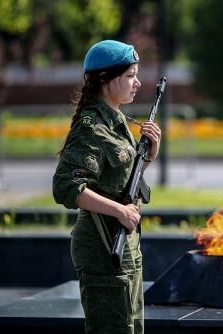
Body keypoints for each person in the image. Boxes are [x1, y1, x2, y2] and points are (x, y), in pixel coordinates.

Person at [53, 40, 161, 334]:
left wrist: (149, 156)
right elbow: (66, 186)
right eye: (129, 76)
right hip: (103, 249)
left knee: (132, 327)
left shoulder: (117, 120)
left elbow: (117, 181)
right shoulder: (92, 127)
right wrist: (119, 211)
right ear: (104, 79)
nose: (137, 82)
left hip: (125, 246)